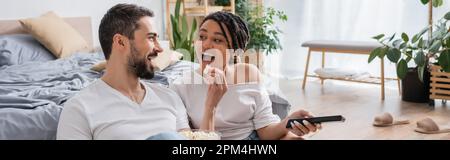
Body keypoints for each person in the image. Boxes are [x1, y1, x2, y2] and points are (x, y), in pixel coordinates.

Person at [56, 4, 225, 140]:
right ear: (121, 42)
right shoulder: (79, 108)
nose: (159, 48)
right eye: (151, 38)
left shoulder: (169, 97)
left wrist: (211, 105)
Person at [170, 11, 321, 140]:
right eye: (202, 37)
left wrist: (288, 121)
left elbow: (265, 130)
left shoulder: (249, 73)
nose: (206, 45)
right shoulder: (180, 85)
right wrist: (211, 104)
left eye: (217, 40)